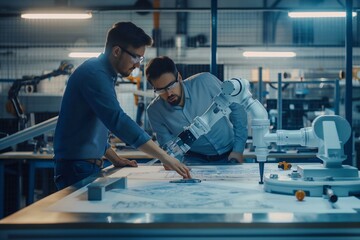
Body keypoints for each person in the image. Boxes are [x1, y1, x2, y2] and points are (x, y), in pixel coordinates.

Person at [54, 22, 190, 190]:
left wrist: (114, 158)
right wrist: (164, 157)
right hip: (76, 169)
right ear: (117, 51)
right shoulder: (94, 74)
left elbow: (95, 125)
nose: (138, 65)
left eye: (141, 59)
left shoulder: (103, 74)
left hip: (84, 166)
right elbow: (117, 120)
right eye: (136, 57)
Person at [145, 56, 248, 165]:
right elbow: (168, 145)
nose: (168, 93)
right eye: (161, 90)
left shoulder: (206, 82)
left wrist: (238, 149)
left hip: (231, 154)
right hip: (194, 160)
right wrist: (173, 162)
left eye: (171, 86)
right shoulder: (154, 111)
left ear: (179, 77)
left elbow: (237, 108)